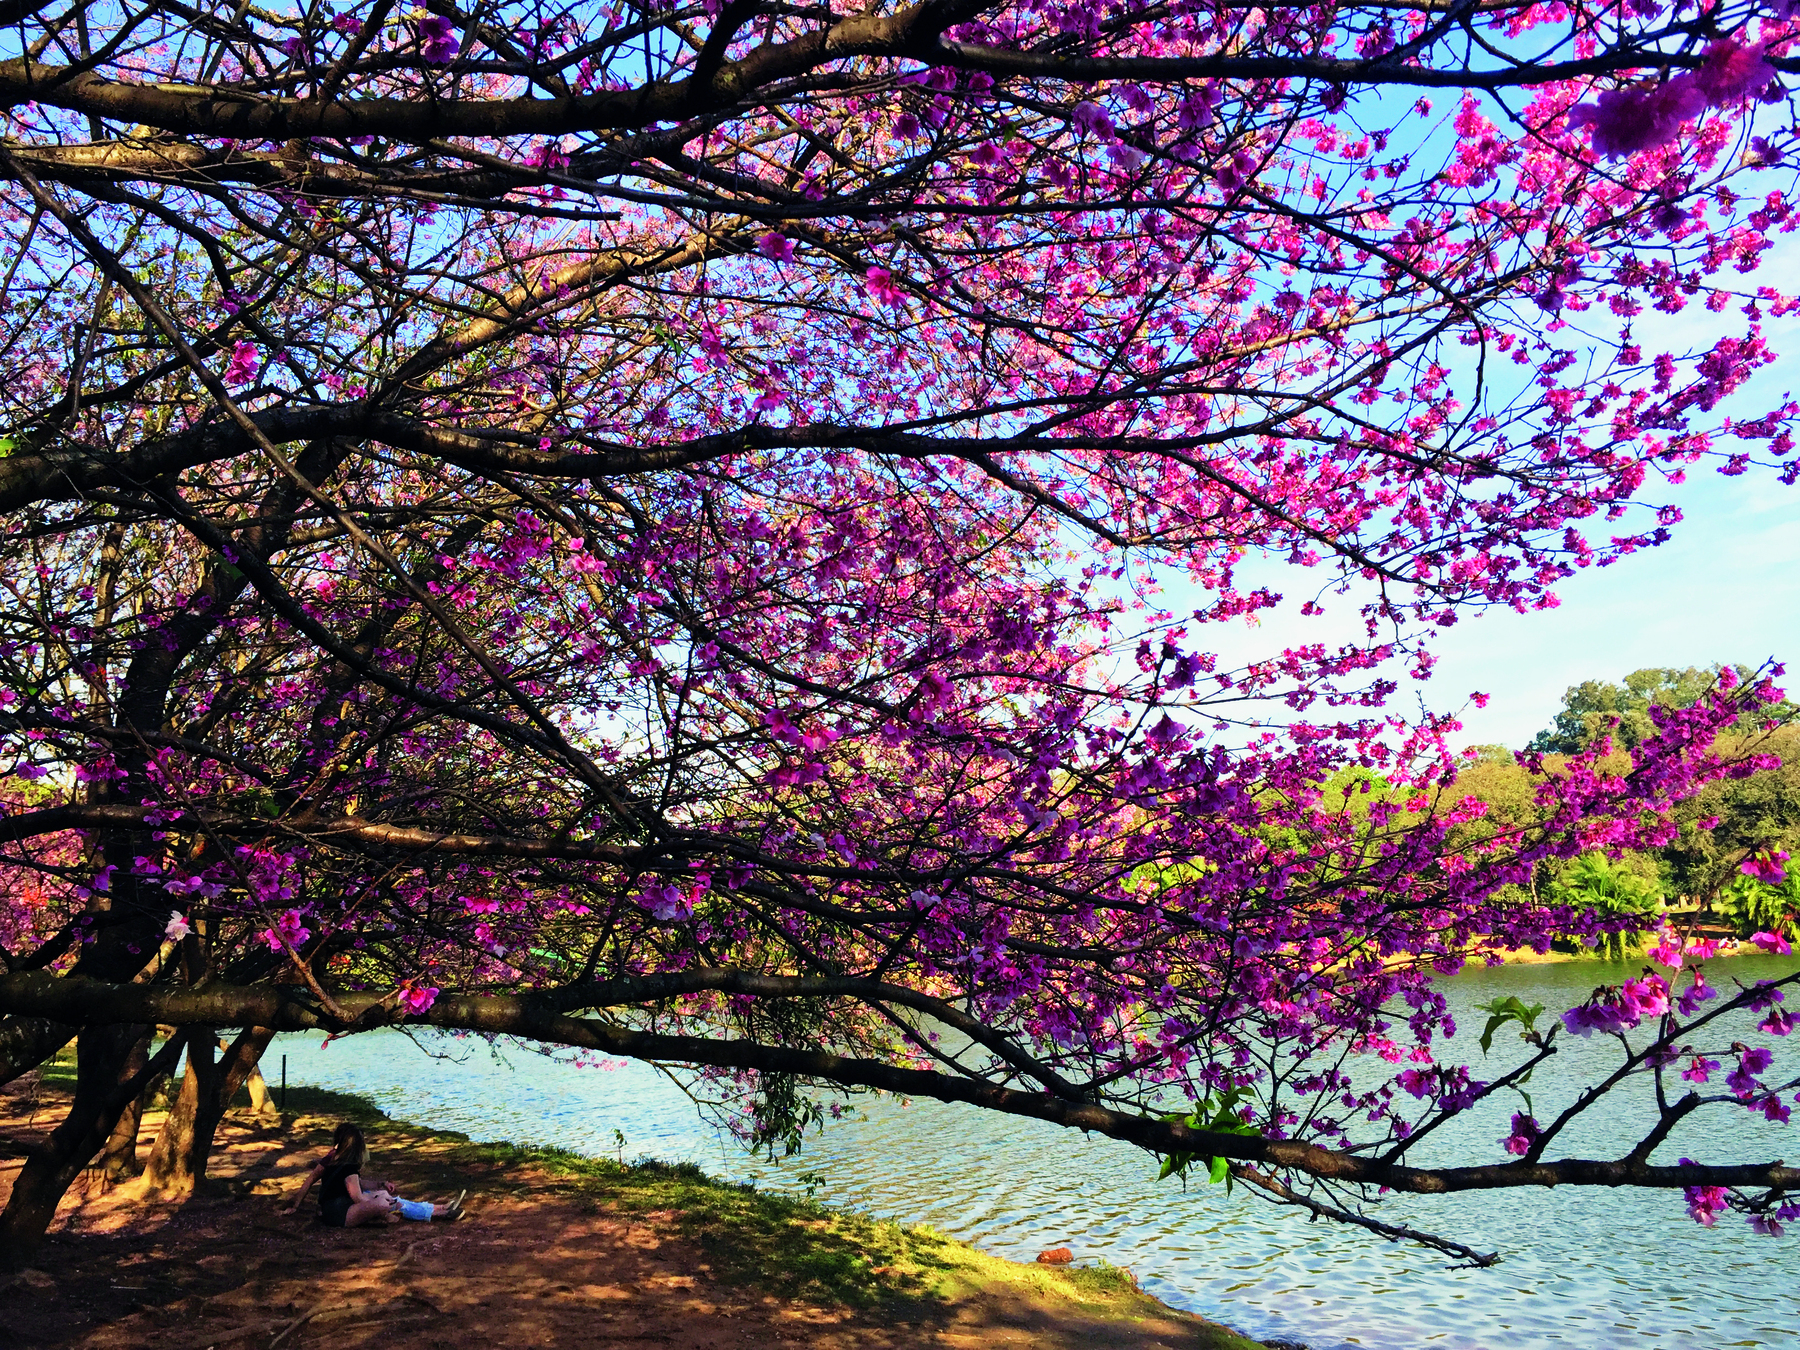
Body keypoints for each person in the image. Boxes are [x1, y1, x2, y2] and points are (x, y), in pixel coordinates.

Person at [282, 1122, 464, 1227]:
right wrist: (384, 1205)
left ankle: (437, 1208)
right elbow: (358, 1197)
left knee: (386, 1197)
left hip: (333, 1210)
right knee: (388, 1202)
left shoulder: (331, 1159)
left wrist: (380, 1185)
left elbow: (311, 1180)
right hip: (339, 1214)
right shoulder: (348, 1169)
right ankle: (437, 1213)